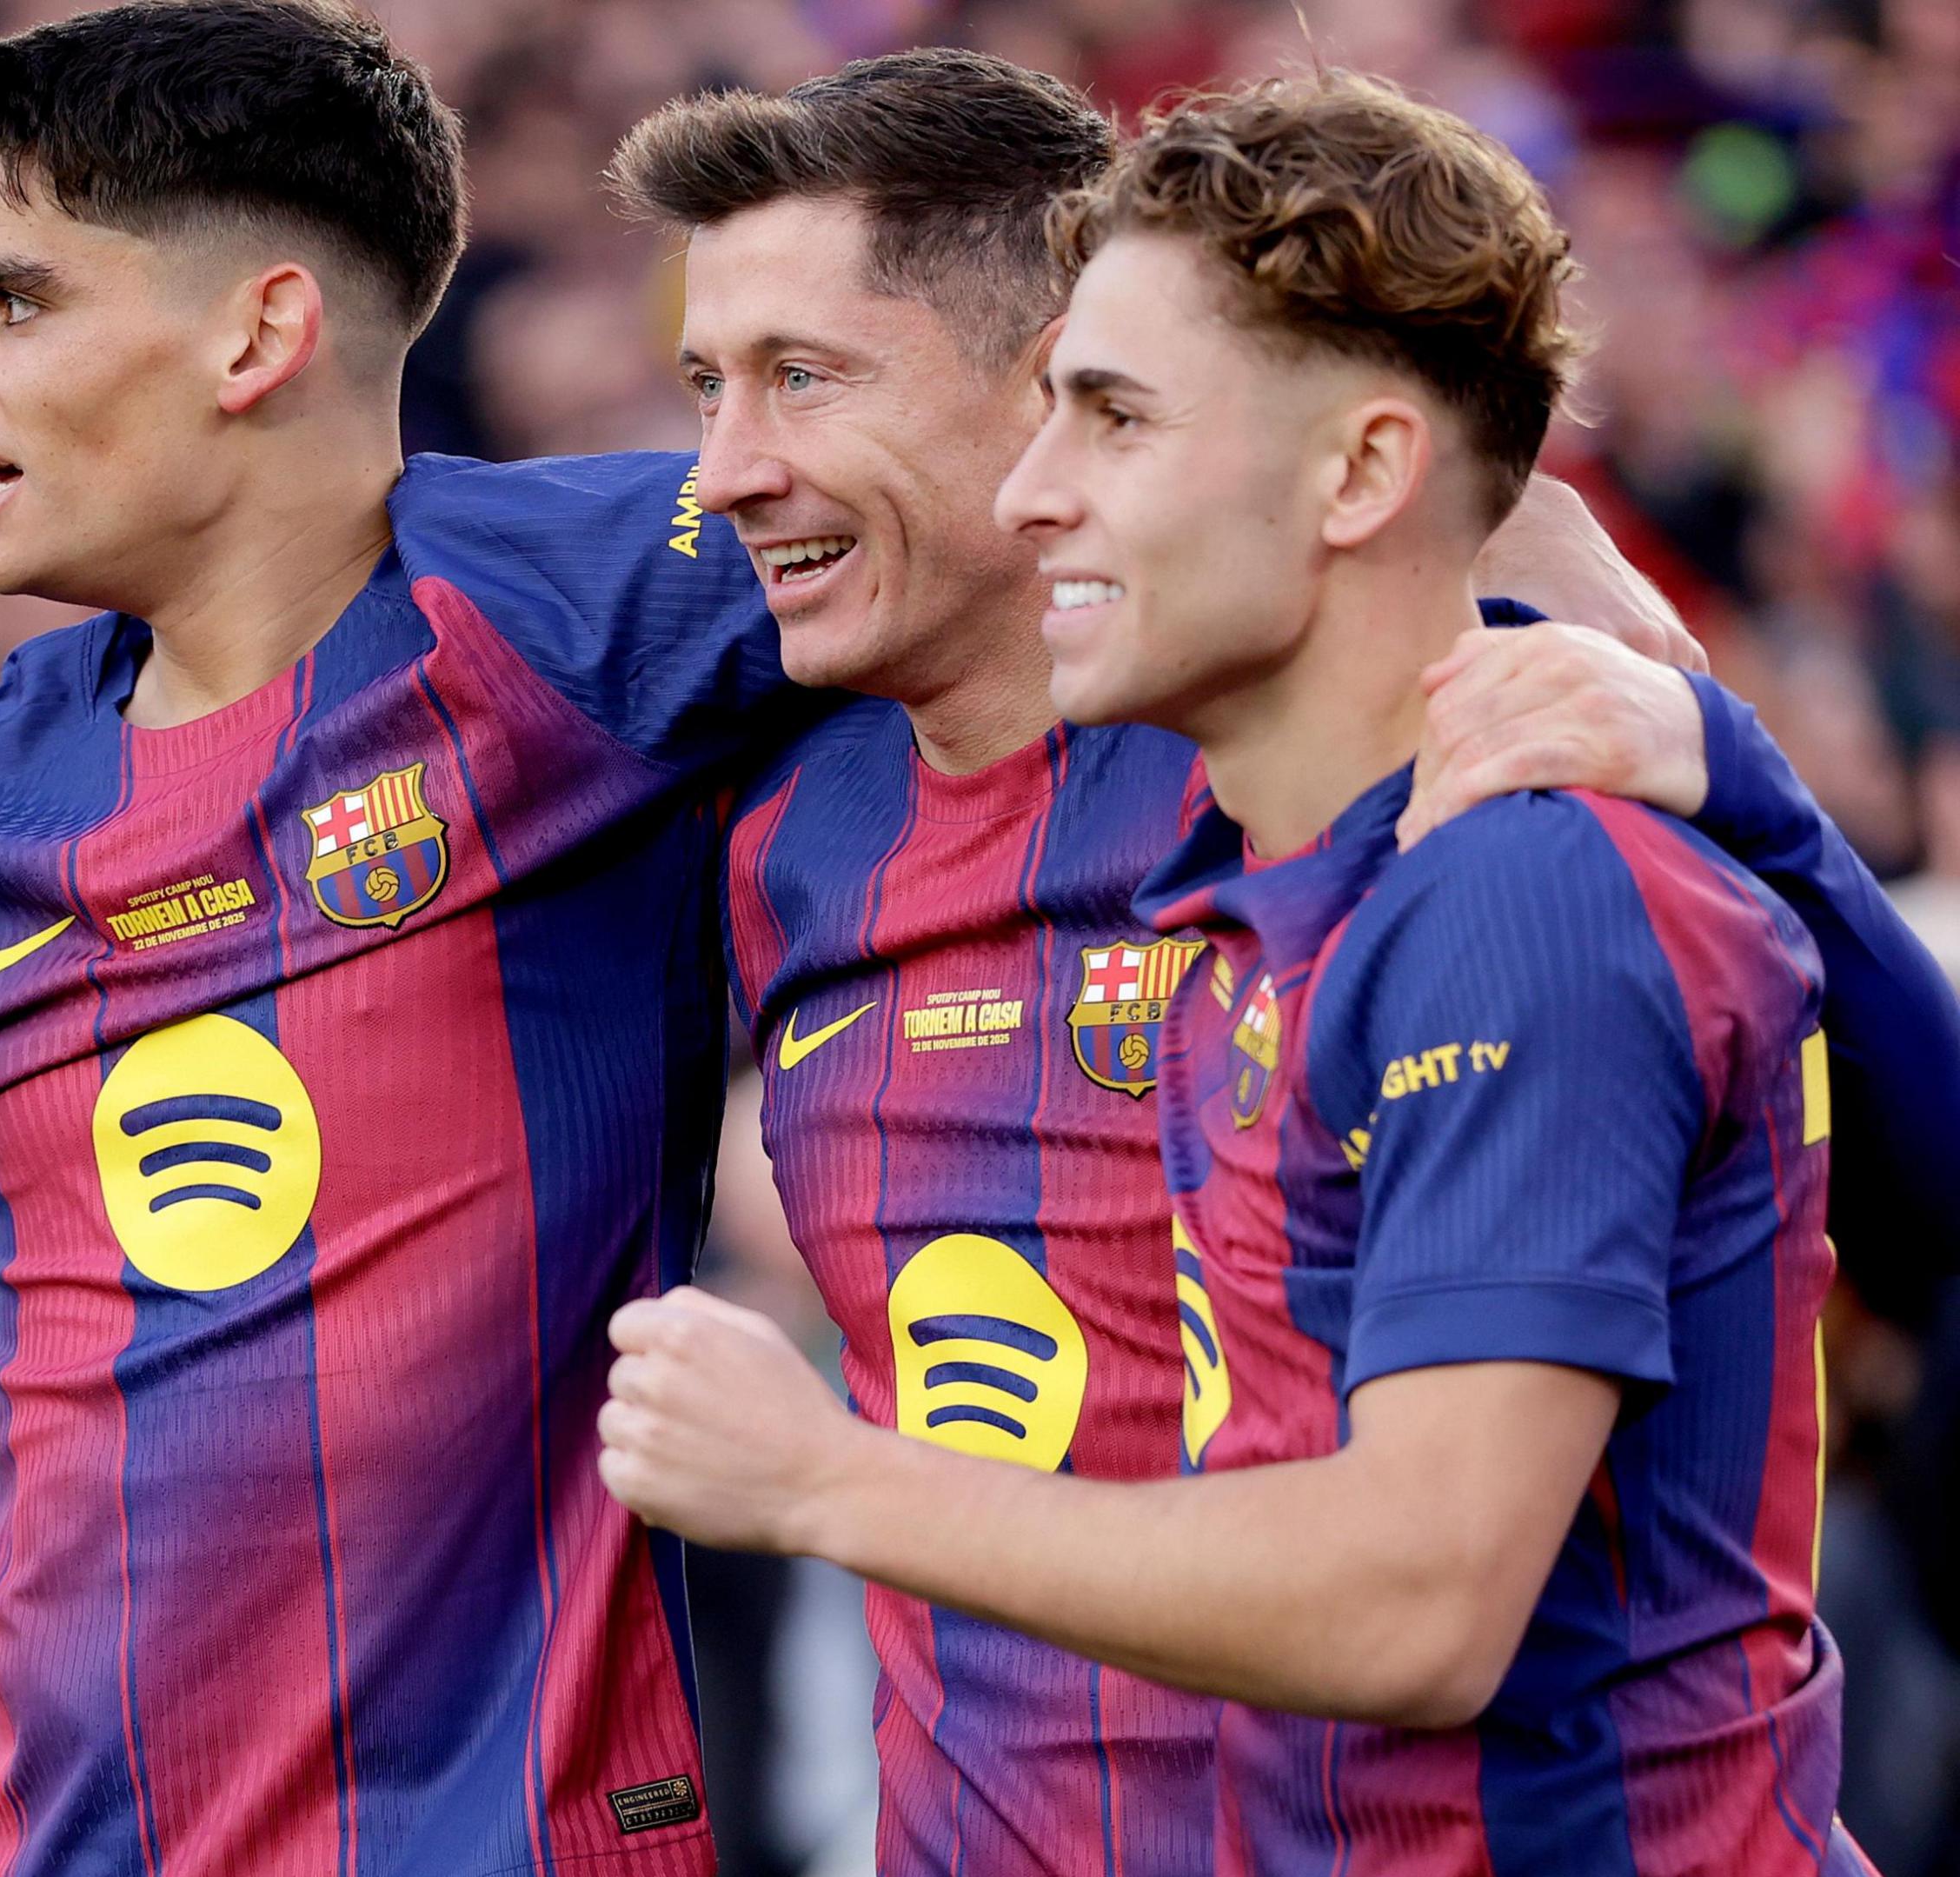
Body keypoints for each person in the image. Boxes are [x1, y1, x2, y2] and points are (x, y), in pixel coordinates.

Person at [0, 7, 1815, 1871]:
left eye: (4, 298)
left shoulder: (615, 605)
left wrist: (1682, 739)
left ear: (256, 341)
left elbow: (1337, 472)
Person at [604, 48, 1960, 1876]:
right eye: (706, 386)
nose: (721, 473)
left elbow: (1423, 1597)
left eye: (803, 376)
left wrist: (1752, 791)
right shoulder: (814, 829)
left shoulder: (1460, 810)